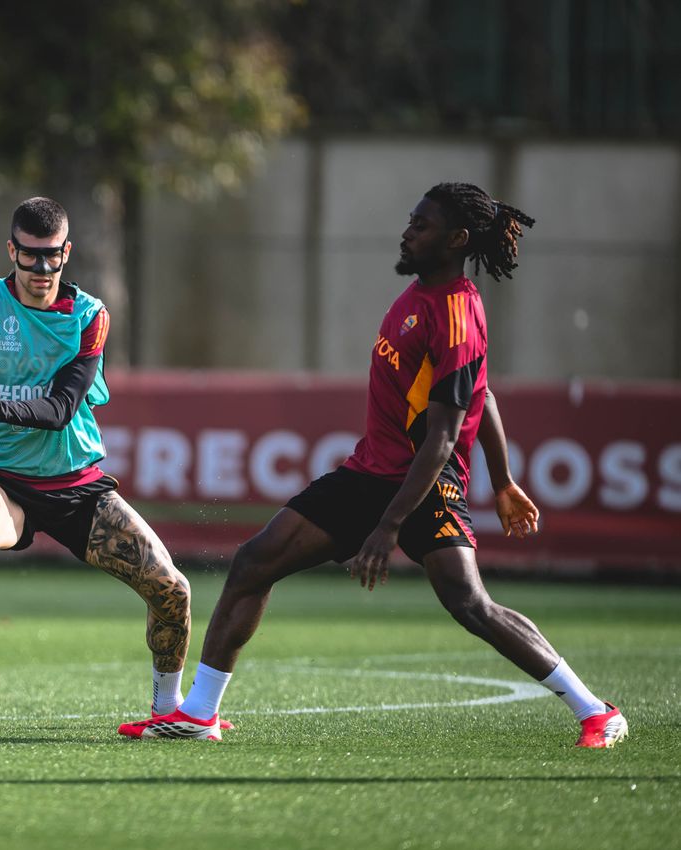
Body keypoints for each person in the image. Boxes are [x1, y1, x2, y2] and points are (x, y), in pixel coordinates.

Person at [119, 182, 627, 749]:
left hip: (423, 485)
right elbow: (481, 392)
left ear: (457, 240)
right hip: (369, 473)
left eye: (423, 225)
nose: (408, 232)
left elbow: (445, 432)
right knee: (254, 562)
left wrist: (389, 525)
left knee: (469, 604)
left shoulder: (457, 313)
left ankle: (595, 711)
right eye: (411, 220)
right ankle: (200, 714)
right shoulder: (419, 296)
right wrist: (505, 479)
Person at [0, 196, 201, 732]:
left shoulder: (90, 317)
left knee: (173, 590)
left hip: (75, 483)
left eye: (52, 257)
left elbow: (62, 408)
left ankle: (168, 711)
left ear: (67, 252)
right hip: (0, 477)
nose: (41, 269)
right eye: (29, 256)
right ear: (11, 250)